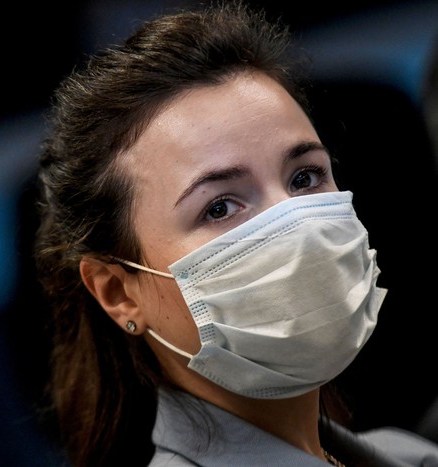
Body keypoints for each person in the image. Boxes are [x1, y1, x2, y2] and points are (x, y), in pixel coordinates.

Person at [32, 1, 438, 465]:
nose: (295, 223)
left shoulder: (411, 455)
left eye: (304, 177)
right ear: (118, 292)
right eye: (220, 207)